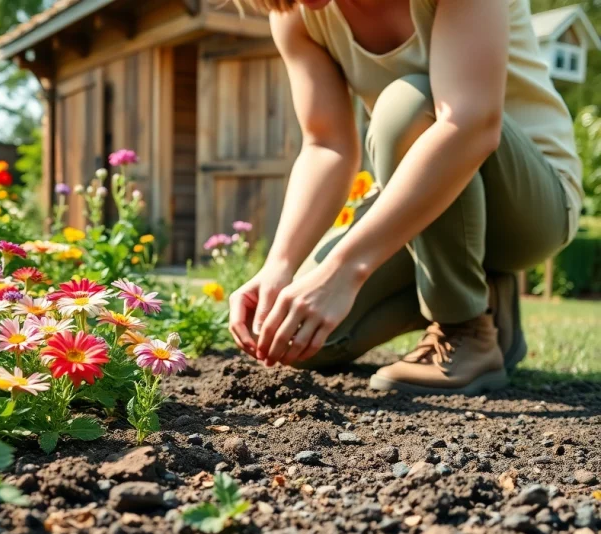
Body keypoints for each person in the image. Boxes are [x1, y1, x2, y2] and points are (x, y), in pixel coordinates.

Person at [228, 0, 583, 393]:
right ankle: (484, 297)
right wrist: (280, 267)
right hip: (428, 207)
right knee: (300, 338)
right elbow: (326, 147)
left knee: (406, 104)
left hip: (529, 206)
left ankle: (464, 329)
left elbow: (471, 124)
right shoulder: (298, 17)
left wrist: (344, 271)